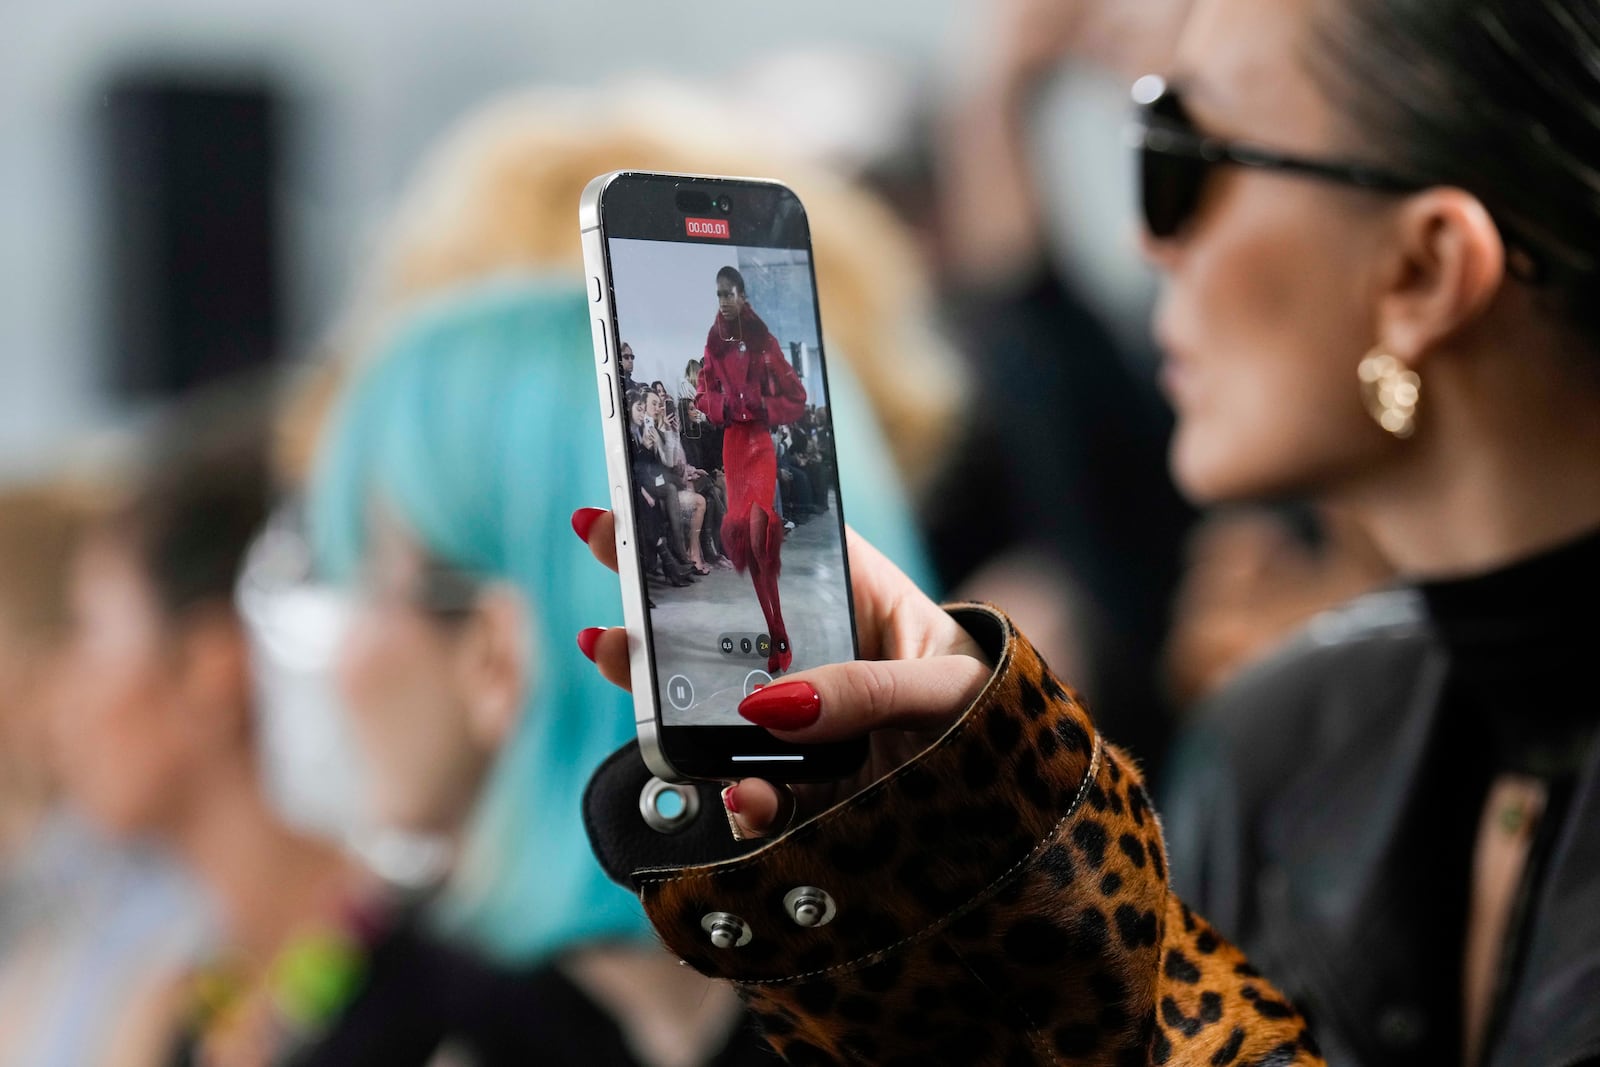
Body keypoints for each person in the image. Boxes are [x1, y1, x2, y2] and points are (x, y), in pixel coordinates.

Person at [574, 0, 1600, 1062]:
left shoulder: (1288, 730)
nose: (1143, 236)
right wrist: (968, 873)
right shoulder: (1293, 734)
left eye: (1183, 153)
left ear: (1422, 270)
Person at [308, 278, 774, 1067]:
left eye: (364, 587)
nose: (340, 664)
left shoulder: (435, 1025)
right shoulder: (912, 993)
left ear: (492, 651)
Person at [50, 390, 368, 1067]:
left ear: (208, 667)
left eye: (89, 632)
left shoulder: (434, 994)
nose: (62, 695)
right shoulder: (183, 1005)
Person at [696, 265, 808, 676]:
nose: (723, 301)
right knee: (749, 541)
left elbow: (796, 397)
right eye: (718, 294)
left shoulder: (766, 343)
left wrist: (764, 406)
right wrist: (722, 407)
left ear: (743, 297)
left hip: (760, 444)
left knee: (761, 538)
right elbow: (702, 395)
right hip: (733, 447)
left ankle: (779, 636)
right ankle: (777, 634)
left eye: (729, 293)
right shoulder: (712, 344)